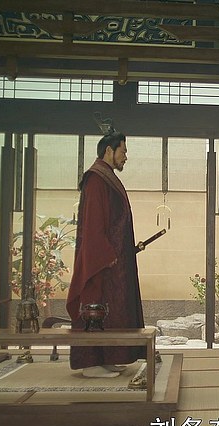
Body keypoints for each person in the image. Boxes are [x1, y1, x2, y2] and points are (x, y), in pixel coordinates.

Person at [65, 131, 147, 378]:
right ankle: (91, 363)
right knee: (96, 308)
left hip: (114, 261)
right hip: (101, 262)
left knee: (115, 312)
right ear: (109, 151)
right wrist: (106, 256)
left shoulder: (106, 177)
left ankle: (109, 357)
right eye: (123, 151)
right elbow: (93, 224)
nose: (126, 157)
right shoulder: (96, 179)